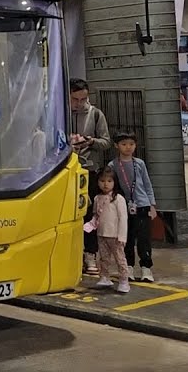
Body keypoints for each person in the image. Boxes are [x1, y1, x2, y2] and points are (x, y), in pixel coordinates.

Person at [70, 78, 112, 274]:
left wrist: (90, 141)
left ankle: (90, 254)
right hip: (64, 171)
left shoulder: (95, 114)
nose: (79, 103)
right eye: (75, 99)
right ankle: (71, 254)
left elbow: (106, 142)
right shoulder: (58, 112)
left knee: (89, 215)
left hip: (89, 171)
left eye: (83, 99)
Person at [109, 132, 157, 282]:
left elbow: (147, 185)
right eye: (124, 144)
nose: (128, 147)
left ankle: (146, 268)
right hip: (123, 207)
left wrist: (152, 205)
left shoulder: (140, 164)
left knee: (144, 238)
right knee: (126, 238)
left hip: (142, 205)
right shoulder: (113, 165)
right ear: (116, 146)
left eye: (131, 144)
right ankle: (128, 267)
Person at [89, 168, 131, 293]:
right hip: (101, 234)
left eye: (109, 181)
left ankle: (124, 280)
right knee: (103, 258)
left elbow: (123, 218)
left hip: (115, 235)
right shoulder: (97, 198)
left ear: (115, 182)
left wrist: (122, 236)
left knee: (120, 259)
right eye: (102, 181)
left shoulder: (118, 198)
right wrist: (91, 225)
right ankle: (104, 277)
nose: (105, 184)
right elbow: (96, 215)